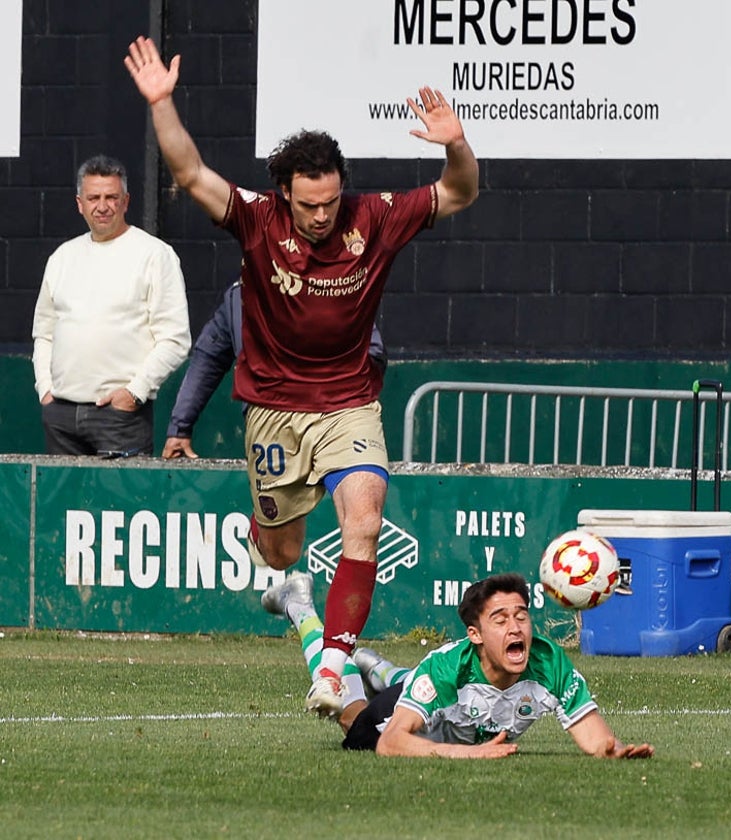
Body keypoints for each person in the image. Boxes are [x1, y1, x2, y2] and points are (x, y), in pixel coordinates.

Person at [125, 35, 479, 716]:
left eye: (329, 202)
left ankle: (334, 667)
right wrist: (162, 105)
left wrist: (455, 145)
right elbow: (193, 173)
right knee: (282, 551)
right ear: (283, 192)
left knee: (365, 525)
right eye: (307, 205)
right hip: (274, 410)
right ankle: (293, 596)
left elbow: (458, 192)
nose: (320, 216)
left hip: (348, 403)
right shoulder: (258, 221)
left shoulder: (373, 217)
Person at [261, 571, 655, 759]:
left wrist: (614, 750)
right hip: (413, 720)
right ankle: (300, 604)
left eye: (521, 615)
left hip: (433, 694)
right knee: (348, 714)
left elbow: (594, 738)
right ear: (475, 634)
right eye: (500, 619)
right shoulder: (449, 667)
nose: (515, 626)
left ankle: (380, 668)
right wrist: (470, 755)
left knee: (426, 689)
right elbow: (391, 744)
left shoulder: (549, 661)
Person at [32, 154, 191, 456]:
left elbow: (175, 339)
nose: (102, 206)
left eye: (111, 197)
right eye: (93, 197)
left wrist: (133, 393)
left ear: (126, 201)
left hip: (120, 419)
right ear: (80, 203)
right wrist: (46, 390)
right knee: (61, 503)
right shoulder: (62, 257)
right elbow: (45, 332)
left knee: (122, 502)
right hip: (61, 417)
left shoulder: (155, 255)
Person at [161, 281, 386, 459]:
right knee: (272, 514)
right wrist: (180, 427)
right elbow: (209, 357)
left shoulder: (331, 285)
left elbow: (373, 355)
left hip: (331, 429)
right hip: (269, 435)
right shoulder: (240, 293)